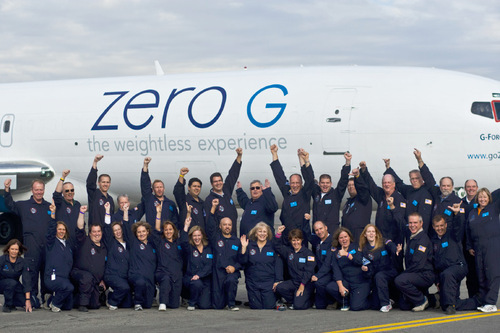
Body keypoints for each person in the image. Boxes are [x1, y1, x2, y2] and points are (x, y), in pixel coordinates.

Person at [3, 178, 51, 308]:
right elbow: (10, 205)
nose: (39, 192)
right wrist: (7, 190)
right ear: (32, 190)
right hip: (32, 246)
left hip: (46, 246)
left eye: (41, 190)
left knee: (46, 271)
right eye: (36, 190)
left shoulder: (48, 207)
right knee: (32, 272)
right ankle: (33, 297)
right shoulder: (24, 205)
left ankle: (46, 296)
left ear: (44, 190)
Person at [313, 227, 370, 311]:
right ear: (338, 240)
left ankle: (369, 301)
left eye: (345, 237)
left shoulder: (357, 247)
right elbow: (336, 271)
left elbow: (359, 261)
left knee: (356, 307)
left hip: (359, 282)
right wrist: (340, 286)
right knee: (330, 287)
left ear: (349, 237)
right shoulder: (336, 252)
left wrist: (347, 254)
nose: (344, 239)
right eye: (341, 238)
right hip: (346, 281)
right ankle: (345, 302)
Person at [431, 213, 478, 315]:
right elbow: (433, 262)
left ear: (446, 225)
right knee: (448, 302)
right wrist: (437, 280)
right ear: (433, 227)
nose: (440, 228)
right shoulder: (433, 241)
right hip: (445, 273)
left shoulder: (453, 234)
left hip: (458, 266)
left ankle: (450, 306)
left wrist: (457, 215)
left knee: (447, 274)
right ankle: (476, 301)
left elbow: (458, 226)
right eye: (437, 226)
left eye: (442, 225)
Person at [466, 188, 500, 313]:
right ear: (477, 198)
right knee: (480, 274)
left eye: (485, 197)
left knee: (492, 274)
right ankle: (484, 300)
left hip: (492, 245)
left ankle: (491, 302)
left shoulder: (494, 208)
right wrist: (469, 246)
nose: (482, 199)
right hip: (477, 247)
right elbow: (468, 230)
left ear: (489, 198)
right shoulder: (473, 213)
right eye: (480, 197)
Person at [270, 145, 314, 242]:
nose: (294, 185)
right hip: (287, 237)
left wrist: (305, 160)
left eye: (297, 183)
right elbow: (279, 176)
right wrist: (274, 154)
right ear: (289, 184)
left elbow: (310, 179)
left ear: (301, 184)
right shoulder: (287, 192)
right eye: (292, 183)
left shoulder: (305, 194)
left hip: (301, 237)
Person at [414, 149, 462, 236]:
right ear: (440, 186)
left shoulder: (457, 201)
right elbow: (428, 177)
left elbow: (460, 224)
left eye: (448, 186)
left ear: (452, 187)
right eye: (443, 186)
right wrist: (419, 159)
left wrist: (457, 213)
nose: (445, 188)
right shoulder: (436, 193)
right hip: (433, 236)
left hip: (448, 237)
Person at [206, 199, 242, 310]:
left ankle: (231, 304)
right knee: (217, 306)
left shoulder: (237, 241)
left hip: (231, 272)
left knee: (231, 280)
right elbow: (210, 225)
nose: (227, 226)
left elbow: (242, 260)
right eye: (224, 224)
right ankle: (222, 301)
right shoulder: (215, 238)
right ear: (220, 226)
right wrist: (213, 208)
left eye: (229, 225)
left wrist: (234, 268)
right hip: (218, 273)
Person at [394, 212, 434, 311]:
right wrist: (393, 209)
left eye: (415, 223)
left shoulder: (422, 240)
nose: (412, 225)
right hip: (415, 274)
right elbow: (401, 224)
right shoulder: (412, 236)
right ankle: (433, 299)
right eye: (410, 223)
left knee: (400, 280)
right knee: (404, 306)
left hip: (424, 274)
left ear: (421, 223)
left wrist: (403, 274)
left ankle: (421, 300)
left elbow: (418, 265)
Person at [360, 161, 406, 245]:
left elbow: (400, 222)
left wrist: (392, 207)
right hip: (381, 239)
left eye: (389, 182)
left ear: (394, 184)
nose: (386, 185)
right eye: (384, 183)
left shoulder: (400, 199)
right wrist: (364, 170)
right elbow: (371, 185)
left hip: (394, 241)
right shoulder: (381, 195)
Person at [71, 205, 107, 312]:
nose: (96, 234)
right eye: (94, 232)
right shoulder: (84, 241)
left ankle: (71, 300)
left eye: (98, 231)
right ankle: (82, 305)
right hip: (79, 273)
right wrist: (81, 213)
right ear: (90, 233)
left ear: (101, 233)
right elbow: (80, 228)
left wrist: (103, 280)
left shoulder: (104, 248)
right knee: (87, 277)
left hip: (94, 281)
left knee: (95, 305)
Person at [240, 222, 283, 309]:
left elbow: (278, 264)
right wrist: (244, 248)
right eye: (260, 231)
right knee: (256, 307)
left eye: (264, 232)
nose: (262, 234)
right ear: (256, 233)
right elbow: (243, 262)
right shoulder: (249, 246)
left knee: (269, 306)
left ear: (267, 234)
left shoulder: (272, 246)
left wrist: (278, 280)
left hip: (268, 283)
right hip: (253, 282)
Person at [383, 158, 433, 233]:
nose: (415, 180)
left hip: (420, 232)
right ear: (410, 180)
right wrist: (388, 168)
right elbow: (399, 183)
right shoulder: (409, 190)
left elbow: (425, 218)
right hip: (409, 230)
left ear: (422, 179)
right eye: (412, 179)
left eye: (417, 178)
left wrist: (420, 233)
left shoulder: (426, 193)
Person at [358, 224, 401, 312]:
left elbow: (391, 245)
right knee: (375, 305)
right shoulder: (365, 249)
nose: (371, 234)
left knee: (380, 276)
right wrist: (366, 270)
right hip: (377, 277)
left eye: (373, 231)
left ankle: (386, 304)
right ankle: (388, 299)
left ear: (376, 234)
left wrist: (396, 250)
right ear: (365, 234)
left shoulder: (383, 241)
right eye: (369, 232)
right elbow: (368, 267)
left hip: (390, 271)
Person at [274, 226, 316, 310]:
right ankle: (295, 300)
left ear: (301, 240)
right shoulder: (289, 252)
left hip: (306, 283)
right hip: (294, 282)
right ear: (290, 241)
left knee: (299, 306)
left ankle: (311, 299)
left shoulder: (308, 253)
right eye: (293, 240)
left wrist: (302, 285)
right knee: (279, 287)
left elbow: (309, 271)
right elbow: (277, 246)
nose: (296, 242)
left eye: (298, 240)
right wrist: (278, 233)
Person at [204, 148, 243, 236]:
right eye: (215, 181)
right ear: (211, 184)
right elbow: (209, 222)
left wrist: (239, 156)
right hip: (220, 238)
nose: (218, 183)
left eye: (220, 180)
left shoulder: (226, 190)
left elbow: (233, 174)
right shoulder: (209, 200)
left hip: (232, 235)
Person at [44, 202, 75, 312]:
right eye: (59, 229)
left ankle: (50, 299)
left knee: (68, 306)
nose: (61, 231)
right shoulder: (51, 242)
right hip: (53, 276)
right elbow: (50, 232)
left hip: (64, 278)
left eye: (63, 229)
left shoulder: (67, 245)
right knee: (69, 288)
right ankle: (55, 304)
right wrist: (53, 215)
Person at [152, 203, 183, 310]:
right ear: (163, 231)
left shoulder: (178, 243)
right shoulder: (160, 242)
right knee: (165, 280)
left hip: (176, 275)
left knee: (174, 305)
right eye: (166, 230)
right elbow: (156, 229)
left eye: (170, 229)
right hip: (163, 273)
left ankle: (168, 300)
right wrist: (158, 213)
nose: (168, 231)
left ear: (174, 230)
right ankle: (162, 302)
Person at [311, 152, 351, 234]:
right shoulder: (316, 194)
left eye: (327, 183)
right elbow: (309, 178)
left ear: (331, 184)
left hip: (332, 235)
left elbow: (343, 181)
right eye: (322, 183)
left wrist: (347, 163)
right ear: (319, 184)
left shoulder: (336, 195)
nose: (325, 185)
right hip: (317, 235)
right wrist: (306, 161)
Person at [102, 202, 132, 310]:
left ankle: (112, 292)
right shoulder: (111, 243)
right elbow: (106, 228)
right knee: (124, 288)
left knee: (127, 304)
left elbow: (127, 226)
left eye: (119, 229)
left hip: (124, 277)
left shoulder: (128, 243)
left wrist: (125, 212)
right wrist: (107, 211)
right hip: (112, 275)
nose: (118, 232)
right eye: (115, 230)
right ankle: (111, 300)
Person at [181, 219, 213, 310]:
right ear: (191, 237)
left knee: (205, 306)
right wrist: (186, 226)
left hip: (204, 279)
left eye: (199, 235)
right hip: (191, 278)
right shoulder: (189, 248)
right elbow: (183, 241)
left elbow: (209, 266)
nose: (197, 238)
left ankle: (199, 299)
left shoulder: (208, 248)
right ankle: (191, 303)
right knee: (196, 284)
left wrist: (199, 275)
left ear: (202, 236)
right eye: (194, 236)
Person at [126, 221, 157, 311]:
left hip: (149, 279)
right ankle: (137, 303)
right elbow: (127, 228)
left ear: (147, 231)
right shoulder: (133, 243)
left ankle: (133, 297)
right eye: (139, 232)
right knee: (140, 282)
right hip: (136, 275)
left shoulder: (152, 245)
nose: (141, 234)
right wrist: (125, 212)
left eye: (143, 231)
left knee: (148, 305)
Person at [141, 157, 179, 229]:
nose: (159, 189)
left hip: (166, 236)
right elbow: (145, 185)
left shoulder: (170, 203)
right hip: (153, 236)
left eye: (161, 187)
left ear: (164, 189)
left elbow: (175, 222)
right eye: (157, 187)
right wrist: (145, 166)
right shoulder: (149, 200)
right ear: (153, 189)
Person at [0, 239, 32, 313]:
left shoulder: (22, 262)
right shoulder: (2, 259)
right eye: (12, 249)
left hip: (15, 286)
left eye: (16, 249)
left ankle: (14, 301)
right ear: (8, 249)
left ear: (19, 250)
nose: (14, 251)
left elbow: (26, 280)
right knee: (11, 283)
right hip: (2, 284)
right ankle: (8, 305)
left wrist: (27, 300)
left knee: (34, 304)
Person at [307, 219, 334, 309]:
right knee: (319, 306)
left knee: (318, 283)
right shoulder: (318, 242)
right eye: (316, 230)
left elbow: (328, 263)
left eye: (321, 228)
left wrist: (317, 275)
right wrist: (306, 221)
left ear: (326, 228)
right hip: (322, 272)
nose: (319, 232)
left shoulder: (332, 242)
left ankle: (332, 301)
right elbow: (307, 234)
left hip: (331, 272)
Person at [341, 168, 372, 243]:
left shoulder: (364, 198)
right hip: (348, 237)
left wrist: (358, 177)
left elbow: (363, 189)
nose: (351, 187)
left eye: (353, 185)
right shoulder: (347, 203)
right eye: (349, 185)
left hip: (359, 237)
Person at [461, 179, 479, 298]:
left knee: (480, 273)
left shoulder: (482, 202)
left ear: (477, 188)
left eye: (473, 186)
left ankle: (481, 296)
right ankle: (472, 297)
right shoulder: (460, 203)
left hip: (478, 243)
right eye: (468, 186)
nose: (471, 189)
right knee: (470, 273)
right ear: (465, 188)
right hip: (464, 244)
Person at [53, 169, 81, 243]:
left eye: (72, 190)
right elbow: (56, 194)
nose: (70, 192)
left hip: (77, 241)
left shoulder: (77, 204)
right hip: (64, 240)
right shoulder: (60, 203)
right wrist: (63, 177)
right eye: (67, 191)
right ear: (63, 192)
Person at [86, 154, 115, 227]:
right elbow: (90, 182)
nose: (105, 184)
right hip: (96, 233)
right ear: (99, 183)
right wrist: (95, 162)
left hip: (107, 233)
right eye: (103, 182)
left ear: (110, 184)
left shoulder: (110, 199)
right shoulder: (94, 194)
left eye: (107, 182)